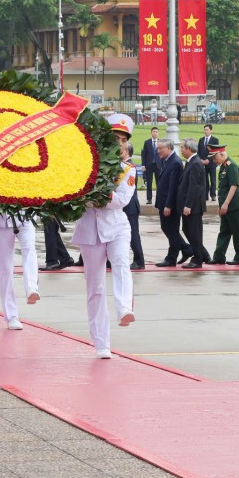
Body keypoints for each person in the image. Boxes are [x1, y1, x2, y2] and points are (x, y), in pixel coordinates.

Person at [71, 114, 137, 359]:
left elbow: (121, 200)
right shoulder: (87, 163)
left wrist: (96, 195)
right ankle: (101, 343)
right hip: (90, 229)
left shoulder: (127, 169)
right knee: (95, 288)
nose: (118, 142)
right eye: (114, 137)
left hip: (117, 226)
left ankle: (124, 308)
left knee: (121, 264)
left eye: (122, 139)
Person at [208, 137, 239, 265]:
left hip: (233, 206)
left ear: (221, 153)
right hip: (225, 206)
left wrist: (225, 204)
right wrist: (222, 205)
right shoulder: (223, 167)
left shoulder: (231, 166)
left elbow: (234, 186)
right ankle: (219, 256)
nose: (214, 160)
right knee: (224, 231)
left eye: (215, 157)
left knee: (237, 232)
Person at [154, 139, 191, 267]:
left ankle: (171, 258)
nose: (158, 151)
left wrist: (168, 205)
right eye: (157, 148)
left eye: (160, 149)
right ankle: (186, 249)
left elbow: (173, 187)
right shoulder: (167, 160)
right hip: (163, 202)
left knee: (172, 230)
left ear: (169, 148)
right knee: (167, 228)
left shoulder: (175, 162)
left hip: (170, 204)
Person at [177, 138, 210, 268]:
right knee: (187, 229)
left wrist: (188, 205)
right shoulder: (191, 162)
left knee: (194, 233)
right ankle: (203, 254)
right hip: (189, 205)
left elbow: (194, 187)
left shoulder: (195, 163)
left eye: (182, 148)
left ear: (189, 149)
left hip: (193, 206)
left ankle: (197, 259)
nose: (181, 150)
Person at [123, 141, 145, 270]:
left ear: (126, 151)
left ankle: (139, 260)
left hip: (130, 206)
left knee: (133, 234)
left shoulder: (129, 167)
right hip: (126, 206)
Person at [140, 127, 160, 205]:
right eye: (154, 131)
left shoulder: (160, 142)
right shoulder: (147, 142)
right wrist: (143, 165)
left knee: (159, 183)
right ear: (151, 133)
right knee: (149, 183)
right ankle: (149, 199)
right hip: (149, 165)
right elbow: (144, 154)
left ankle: (159, 199)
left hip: (158, 165)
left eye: (156, 132)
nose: (155, 133)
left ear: (158, 133)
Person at [197, 124, 216, 197]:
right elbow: (198, 151)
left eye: (207, 130)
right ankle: (205, 195)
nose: (205, 131)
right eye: (205, 129)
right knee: (205, 180)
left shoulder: (215, 140)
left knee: (213, 180)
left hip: (211, 163)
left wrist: (208, 160)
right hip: (203, 163)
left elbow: (215, 152)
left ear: (211, 130)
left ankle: (213, 195)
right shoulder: (201, 140)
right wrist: (201, 160)